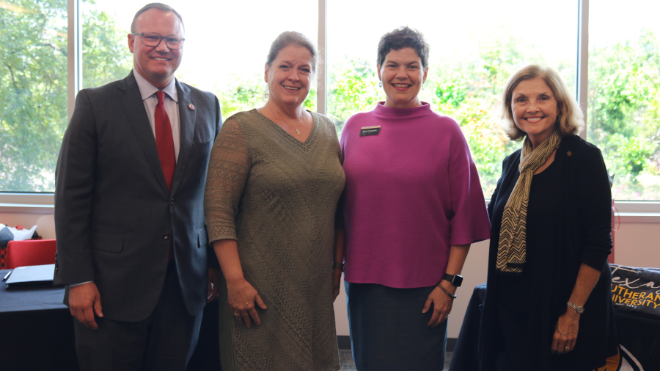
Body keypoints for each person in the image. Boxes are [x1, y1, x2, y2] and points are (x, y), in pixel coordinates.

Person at [54, 3, 221, 371]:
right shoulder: (96, 104)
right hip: (113, 289)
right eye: (152, 37)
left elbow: (212, 195)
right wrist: (78, 278)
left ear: (183, 45)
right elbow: (71, 199)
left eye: (173, 39)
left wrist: (212, 263)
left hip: (184, 286)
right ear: (132, 41)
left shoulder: (207, 105)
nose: (163, 47)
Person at [337, 26, 491, 370]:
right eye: (392, 65)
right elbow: (338, 209)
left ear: (425, 71)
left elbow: (464, 219)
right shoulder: (354, 128)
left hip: (427, 287)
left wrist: (449, 285)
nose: (401, 74)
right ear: (378, 70)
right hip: (365, 285)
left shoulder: (446, 131)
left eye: (412, 65)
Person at [204, 31, 345, 371]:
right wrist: (234, 282)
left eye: (305, 69)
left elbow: (338, 209)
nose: (294, 76)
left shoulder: (328, 131)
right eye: (285, 66)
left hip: (313, 288)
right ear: (267, 71)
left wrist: (336, 269)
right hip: (257, 290)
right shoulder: (240, 129)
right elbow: (218, 210)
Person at [479, 65, 618, 371]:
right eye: (520, 99)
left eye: (543, 97)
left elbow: (598, 243)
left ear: (560, 105)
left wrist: (572, 312)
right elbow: (495, 223)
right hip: (515, 304)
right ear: (510, 107)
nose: (531, 107)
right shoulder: (512, 164)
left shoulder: (584, 158)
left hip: (565, 305)